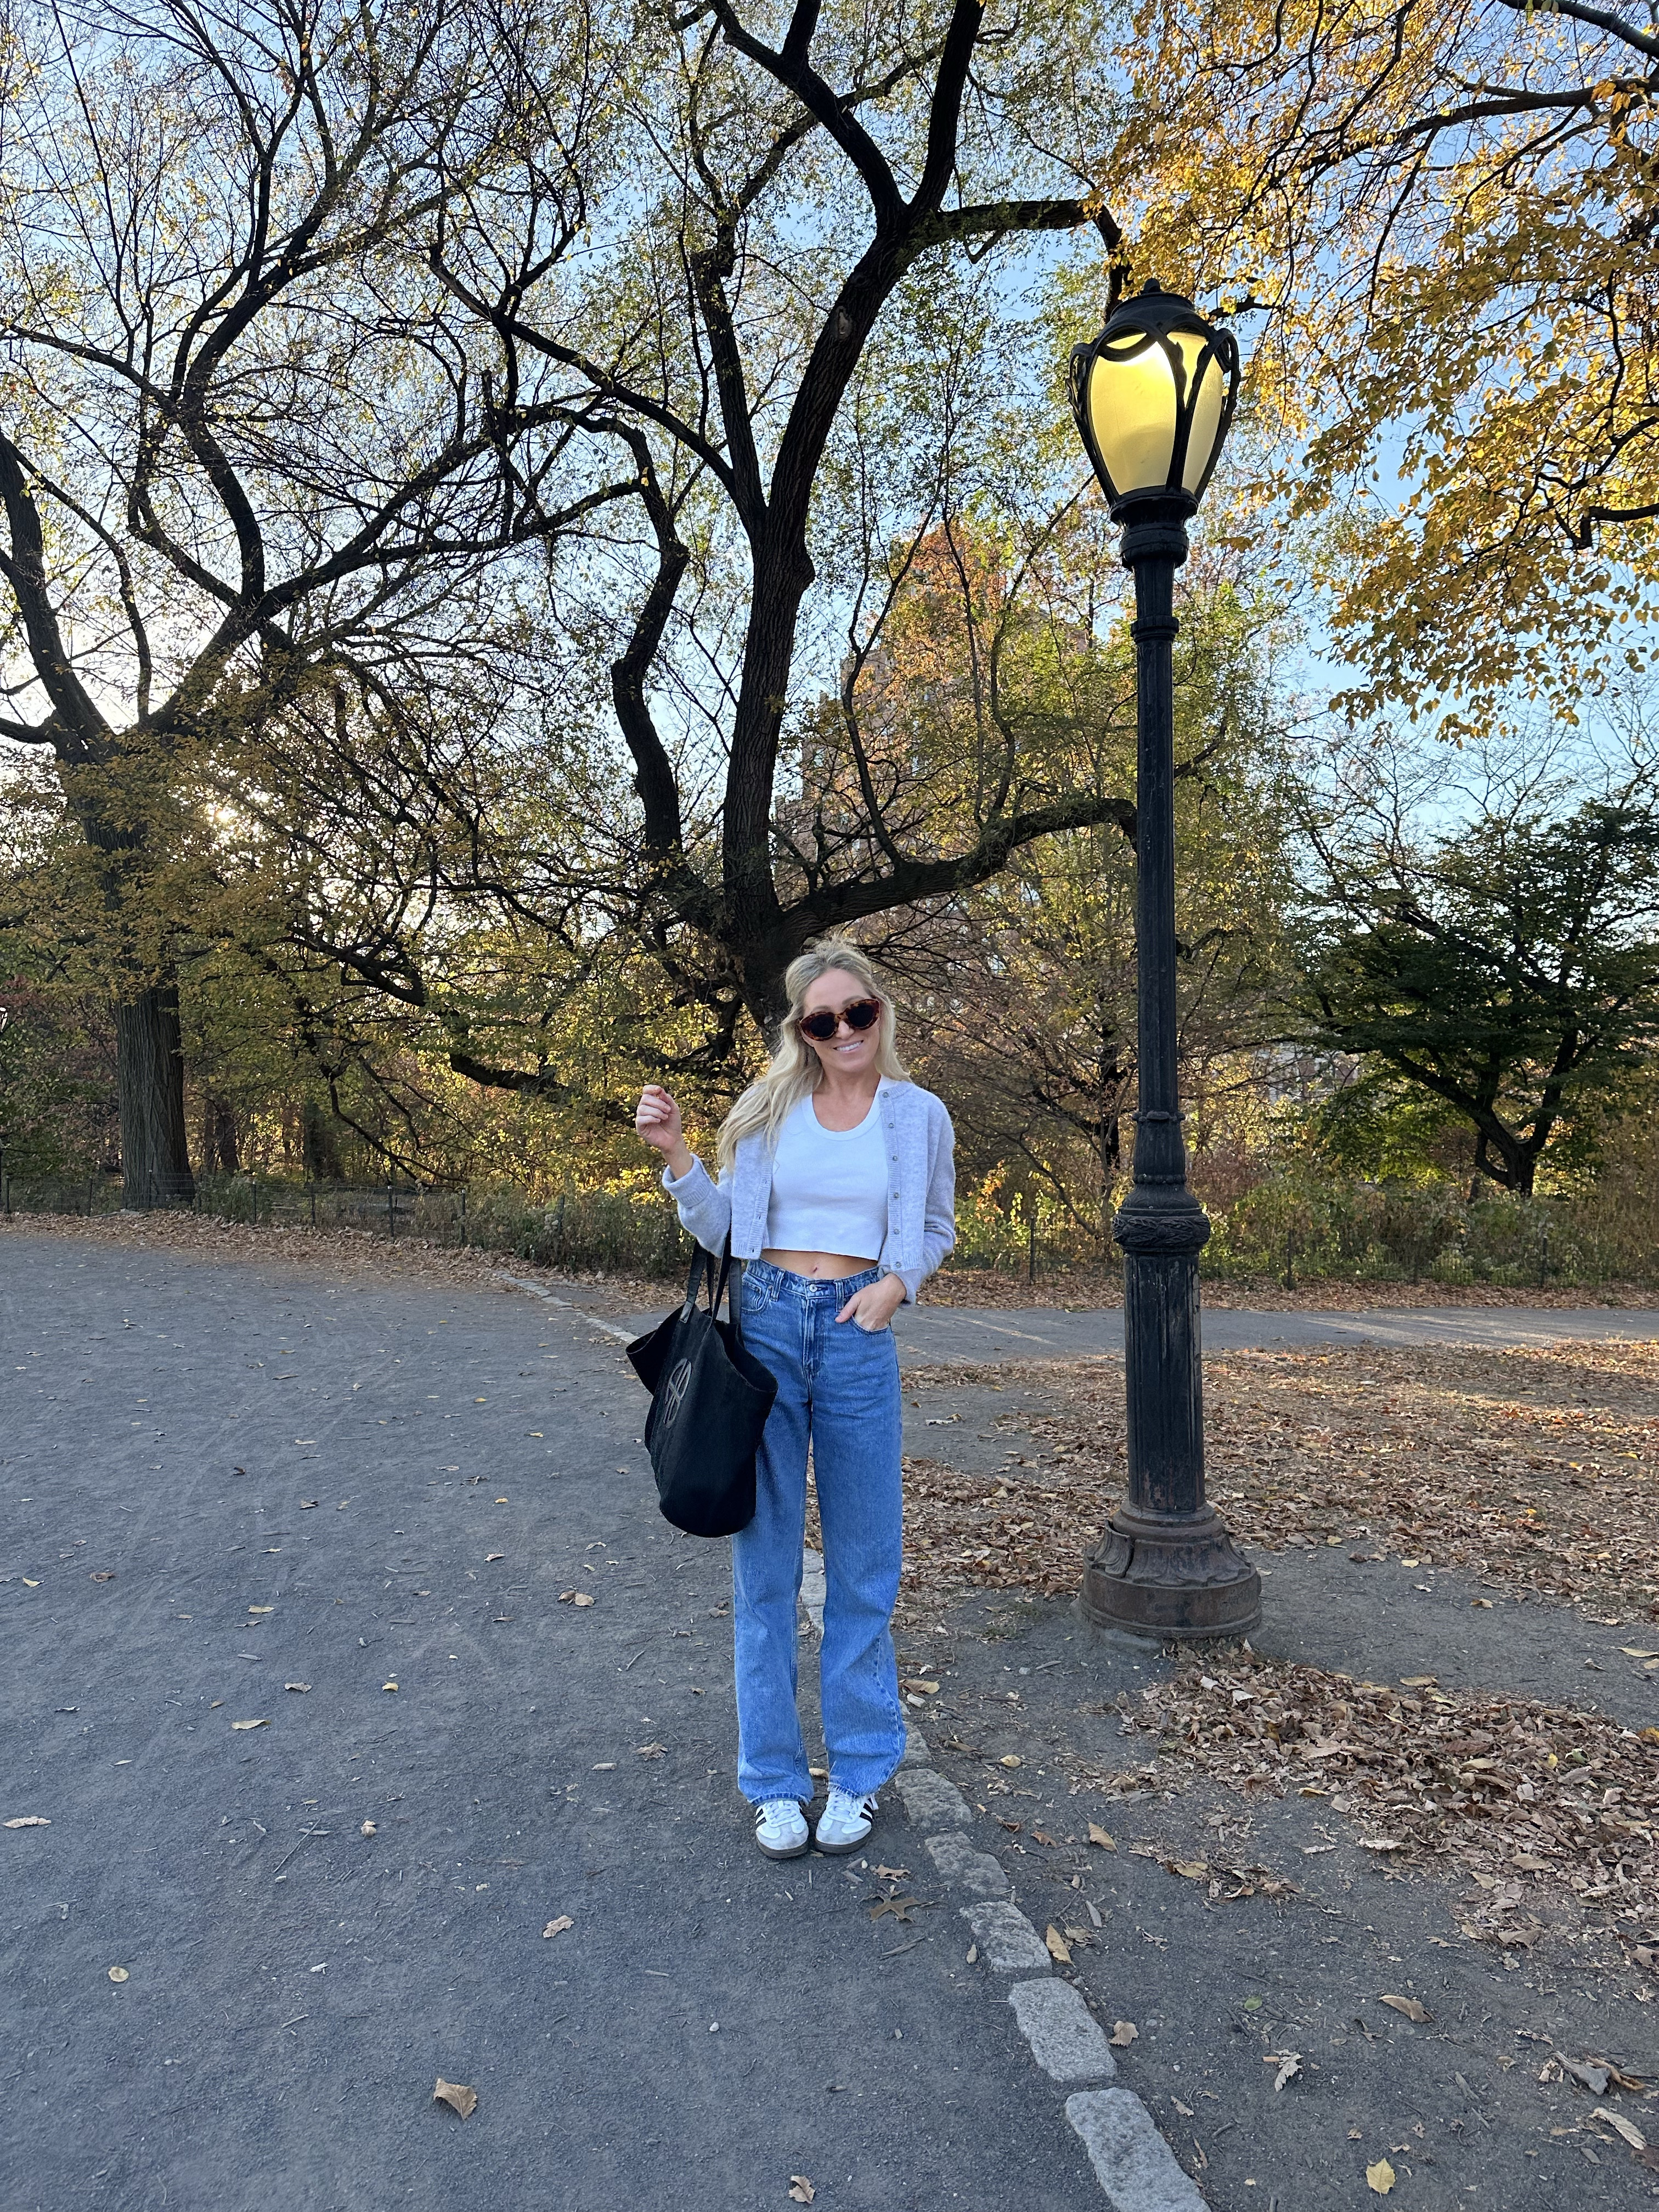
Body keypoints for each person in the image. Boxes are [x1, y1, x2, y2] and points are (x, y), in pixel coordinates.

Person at [634, 938, 955, 1859]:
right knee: (764, 1570)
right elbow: (726, 1228)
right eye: (824, 1020)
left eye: (858, 1012)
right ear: (802, 1031)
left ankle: (857, 1772)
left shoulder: (918, 1114)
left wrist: (897, 1288)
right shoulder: (768, 1107)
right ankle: (774, 1781)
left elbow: (934, 1226)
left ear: (880, 1013)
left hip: (860, 1334)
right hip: (767, 1328)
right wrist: (680, 1158)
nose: (845, 1029)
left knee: (865, 1566)